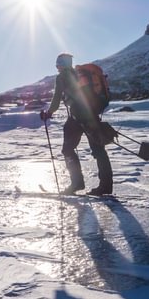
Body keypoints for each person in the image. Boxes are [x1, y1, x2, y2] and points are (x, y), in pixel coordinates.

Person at [40, 53, 113, 196]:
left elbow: (56, 99)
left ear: (62, 65)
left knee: (68, 149)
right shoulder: (80, 75)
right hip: (91, 115)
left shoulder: (62, 77)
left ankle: (77, 182)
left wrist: (48, 113)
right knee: (99, 150)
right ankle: (106, 186)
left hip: (76, 117)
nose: (57, 66)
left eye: (58, 63)